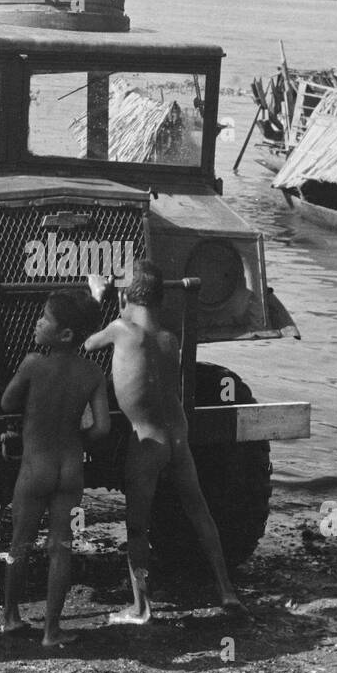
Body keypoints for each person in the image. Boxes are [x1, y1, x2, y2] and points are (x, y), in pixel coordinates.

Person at [85, 261, 247, 624]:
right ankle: (226, 591)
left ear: (126, 295)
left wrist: (98, 297)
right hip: (178, 436)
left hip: (146, 441)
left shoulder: (120, 330)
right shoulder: (169, 338)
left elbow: (85, 342)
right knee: (199, 512)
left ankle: (141, 607)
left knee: (137, 527)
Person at [0, 290, 110, 647]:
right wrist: (79, 437)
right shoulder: (93, 372)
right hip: (70, 469)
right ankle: (51, 631)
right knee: (61, 546)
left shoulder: (33, 364)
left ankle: (12, 617)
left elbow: (6, 401)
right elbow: (103, 428)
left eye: (44, 318)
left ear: (64, 334)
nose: (37, 322)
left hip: (35, 467)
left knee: (20, 543)